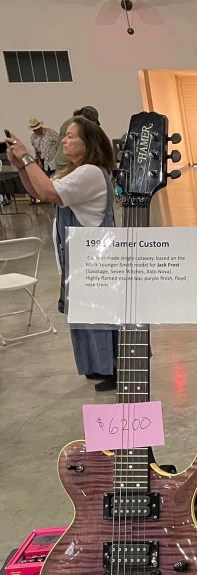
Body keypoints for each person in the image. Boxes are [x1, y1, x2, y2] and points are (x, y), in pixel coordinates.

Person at [6, 116, 119, 391]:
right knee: (85, 315)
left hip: (95, 258)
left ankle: (112, 367)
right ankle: (97, 365)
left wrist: (27, 158)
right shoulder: (75, 171)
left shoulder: (90, 172)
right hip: (80, 257)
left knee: (99, 315)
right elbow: (39, 191)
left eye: (71, 136)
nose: (64, 141)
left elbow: (48, 191)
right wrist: (21, 166)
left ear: (88, 143)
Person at [53, 106, 100, 177]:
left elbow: (57, 146)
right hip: (72, 163)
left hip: (60, 161)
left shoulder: (67, 122)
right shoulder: (83, 123)